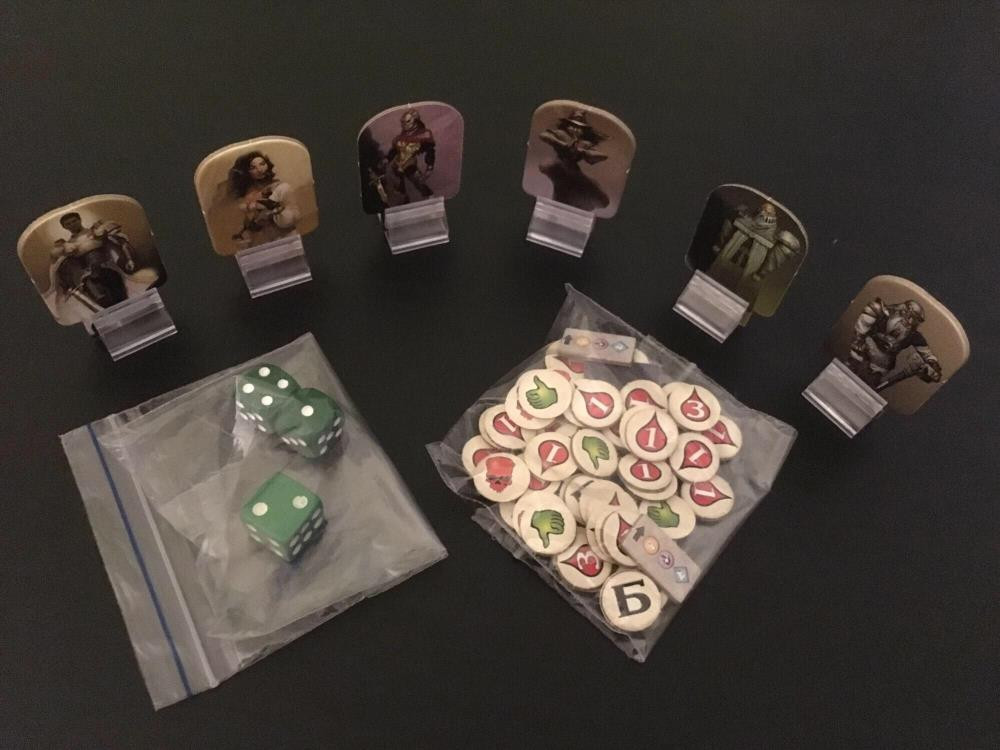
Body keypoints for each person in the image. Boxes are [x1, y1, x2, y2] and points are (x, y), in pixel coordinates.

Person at [47, 212, 139, 312]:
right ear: (65, 227)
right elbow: (56, 265)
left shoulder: (96, 231)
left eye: (74, 221)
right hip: (89, 278)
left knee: (121, 296)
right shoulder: (66, 244)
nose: (72, 224)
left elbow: (121, 242)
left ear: (79, 220)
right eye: (68, 224)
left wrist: (129, 259)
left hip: (109, 269)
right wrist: (54, 286)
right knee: (103, 301)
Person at [847, 298, 942, 391]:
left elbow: (927, 353)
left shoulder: (914, 336)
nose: (909, 322)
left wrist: (933, 365)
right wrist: (859, 338)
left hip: (881, 363)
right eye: (909, 316)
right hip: (864, 348)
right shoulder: (883, 313)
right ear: (903, 311)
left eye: (914, 320)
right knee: (850, 368)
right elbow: (870, 312)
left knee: (868, 384)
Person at [537, 109, 610, 212]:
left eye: (579, 128)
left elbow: (602, 156)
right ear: (567, 125)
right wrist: (560, 143)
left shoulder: (584, 143)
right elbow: (544, 135)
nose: (575, 130)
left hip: (573, 170)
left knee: (586, 190)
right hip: (559, 164)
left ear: (583, 130)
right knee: (551, 168)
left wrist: (583, 152)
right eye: (572, 126)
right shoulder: (561, 134)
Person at [229, 151, 300, 248]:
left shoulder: (281, 187)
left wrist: (276, 212)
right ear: (246, 173)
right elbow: (244, 226)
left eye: (262, 164)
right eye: (253, 168)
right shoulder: (246, 197)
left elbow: (294, 216)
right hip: (261, 244)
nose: (260, 170)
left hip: (287, 240)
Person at [381, 108, 436, 205]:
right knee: (396, 185)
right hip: (396, 164)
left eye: (408, 121)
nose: (404, 124)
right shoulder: (399, 138)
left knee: (418, 180)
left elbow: (430, 151)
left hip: (409, 163)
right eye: (403, 122)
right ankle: (402, 202)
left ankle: (430, 197)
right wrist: (387, 159)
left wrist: (429, 167)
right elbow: (394, 151)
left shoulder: (424, 134)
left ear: (415, 121)